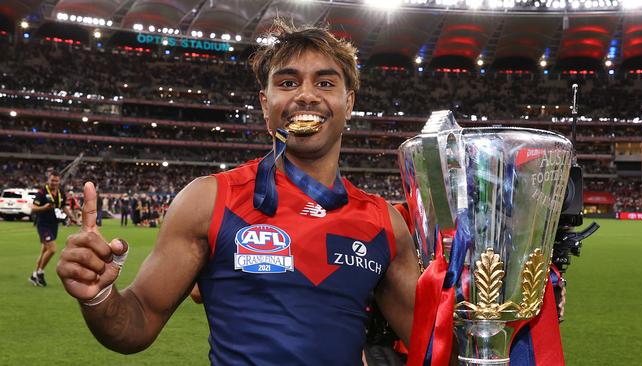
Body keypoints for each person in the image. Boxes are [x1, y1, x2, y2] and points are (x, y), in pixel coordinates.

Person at [56, 20, 420, 365]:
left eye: (325, 83)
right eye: (288, 82)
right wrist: (99, 296)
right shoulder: (209, 200)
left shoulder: (384, 223)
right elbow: (137, 322)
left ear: (349, 103)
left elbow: (432, 346)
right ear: (265, 104)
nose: (307, 95)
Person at [29, 171, 77, 287]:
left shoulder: (60, 192)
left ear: (59, 181)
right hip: (43, 225)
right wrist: (44, 207)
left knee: (44, 251)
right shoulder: (42, 192)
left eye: (56, 180)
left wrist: (72, 217)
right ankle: (40, 272)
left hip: (54, 225)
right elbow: (33, 208)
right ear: (48, 180)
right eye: (52, 180)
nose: (54, 182)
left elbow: (64, 206)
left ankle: (34, 276)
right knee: (52, 249)